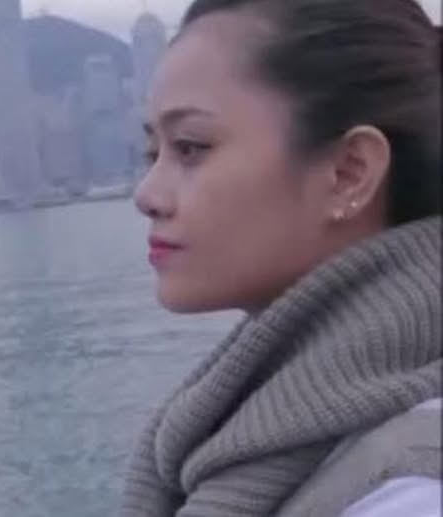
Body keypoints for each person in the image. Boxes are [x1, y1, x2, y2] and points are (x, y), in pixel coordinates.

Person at [121, 0, 441, 515]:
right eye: (151, 153)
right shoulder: (229, 433)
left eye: (190, 147)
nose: (146, 195)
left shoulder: (410, 491)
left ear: (349, 173)